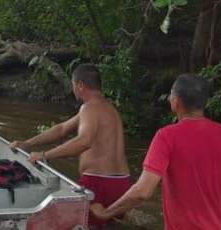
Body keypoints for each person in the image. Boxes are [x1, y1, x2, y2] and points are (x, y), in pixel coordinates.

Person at [90, 74, 221, 229]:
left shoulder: (167, 137)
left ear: (176, 102)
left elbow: (142, 191)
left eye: (171, 96)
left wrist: (106, 213)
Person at [9, 64, 130, 229]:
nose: (73, 89)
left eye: (73, 85)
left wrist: (44, 155)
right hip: (121, 183)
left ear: (80, 85)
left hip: (99, 183)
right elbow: (61, 129)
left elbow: (84, 141)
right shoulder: (106, 108)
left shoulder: (89, 108)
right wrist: (28, 143)